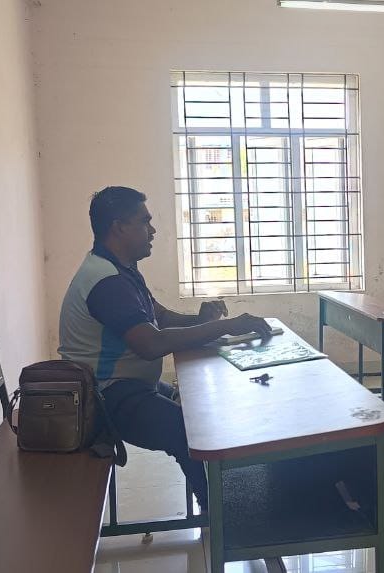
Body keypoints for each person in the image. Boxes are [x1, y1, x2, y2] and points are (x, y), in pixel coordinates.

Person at [58, 186, 272, 512]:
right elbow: (151, 343)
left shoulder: (120, 269)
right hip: (104, 400)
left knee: (199, 409)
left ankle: (220, 505)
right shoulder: (106, 282)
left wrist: (199, 319)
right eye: (144, 221)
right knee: (190, 430)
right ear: (119, 227)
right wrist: (226, 326)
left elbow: (160, 317)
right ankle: (220, 515)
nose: (153, 230)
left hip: (126, 387)